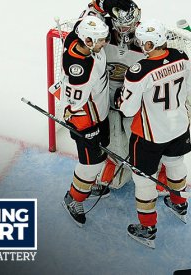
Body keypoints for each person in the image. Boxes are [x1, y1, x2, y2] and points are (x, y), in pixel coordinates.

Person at [72, 0, 170, 198]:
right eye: (121, 24)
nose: (124, 29)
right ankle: (113, 162)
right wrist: (100, 4)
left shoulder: (147, 37)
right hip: (105, 96)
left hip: (137, 99)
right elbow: (81, 28)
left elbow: (163, 68)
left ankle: (159, 170)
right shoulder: (102, 32)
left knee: (143, 140)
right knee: (112, 135)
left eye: (129, 24)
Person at [116, 19, 191, 248]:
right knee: (175, 164)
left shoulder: (139, 71)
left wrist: (120, 99)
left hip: (149, 135)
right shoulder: (181, 56)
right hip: (179, 126)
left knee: (143, 181)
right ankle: (179, 203)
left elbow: (128, 109)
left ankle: (148, 228)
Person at [59, 15, 111, 227]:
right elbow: (74, 107)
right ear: (88, 42)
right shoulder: (81, 71)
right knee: (91, 163)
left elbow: (88, 14)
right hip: (88, 120)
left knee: (102, 151)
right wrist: (85, 131)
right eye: (100, 41)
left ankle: (87, 186)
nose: (104, 43)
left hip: (100, 110)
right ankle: (74, 198)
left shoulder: (75, 37)